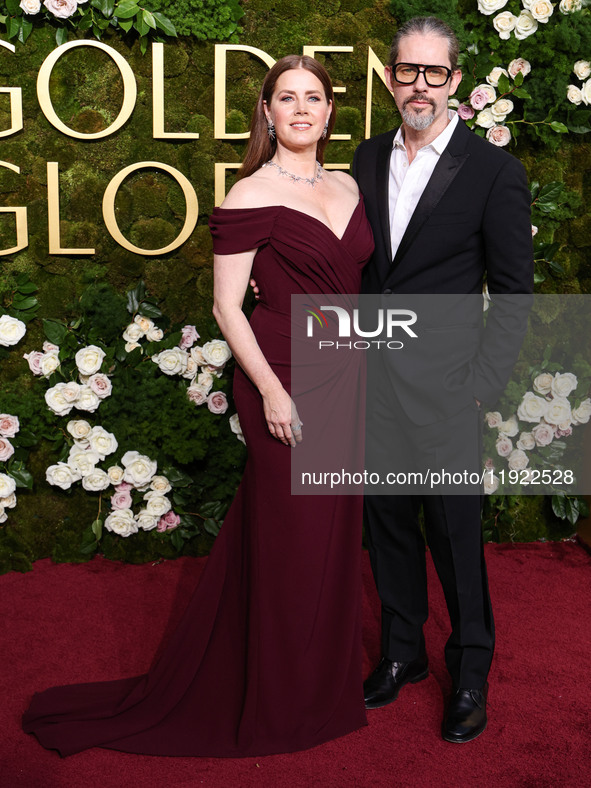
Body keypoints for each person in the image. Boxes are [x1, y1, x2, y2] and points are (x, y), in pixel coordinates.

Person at [22, 56, 375, 757]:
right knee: (294, 539)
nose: (301, 109)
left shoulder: (348, 184)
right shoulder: (250, 193)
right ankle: (278, 699)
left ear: (331, 112)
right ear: (266, 112)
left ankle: (319, 684)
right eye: (286, 98)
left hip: (345, 374)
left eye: (314, 97)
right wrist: (273, 389)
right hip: (283, 376)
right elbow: (226, 306)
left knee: (329, 539)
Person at [353, 17, 533, 743]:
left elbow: (515, 291)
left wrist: (481, 385)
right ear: (390, 78)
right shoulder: (364, 160)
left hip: (449, 390)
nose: (418, 85)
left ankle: (468, 668)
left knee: (455, 534)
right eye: (406, 71)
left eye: (433, 72)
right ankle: (403, 654)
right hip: (372, 385)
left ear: (454, 81)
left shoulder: (492, 171)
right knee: (387, 525)